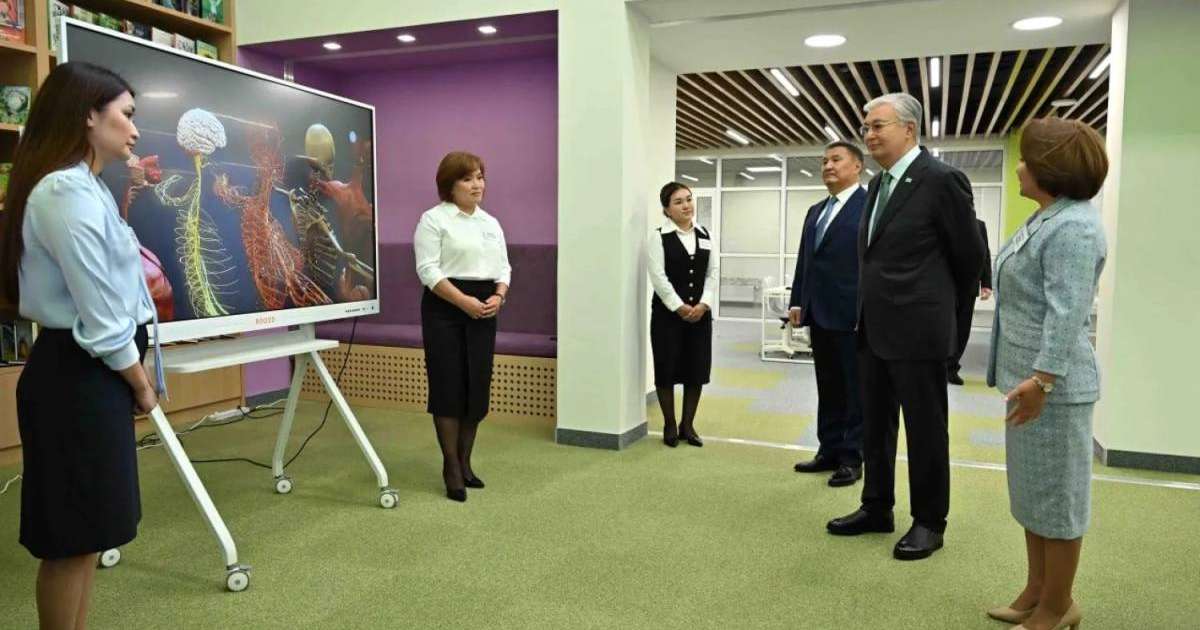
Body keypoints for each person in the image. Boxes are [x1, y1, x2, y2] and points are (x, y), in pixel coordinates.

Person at [0, 62, 162, 630]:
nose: (135, 130)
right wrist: (140, 384)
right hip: (78, 375)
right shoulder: (63, 190)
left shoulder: (84, 185)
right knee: (71, 538)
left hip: (94, 374)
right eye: (127, 115)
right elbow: (99, 311)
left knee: (89, 532)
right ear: (89, 114)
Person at [826, 93, 984, 561]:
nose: (868, 135)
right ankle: (876, 506)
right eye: (866, 127)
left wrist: (951, 335)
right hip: (873, 331)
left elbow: (968, 263)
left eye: (878, 126)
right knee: (875, 427)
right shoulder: (877, 186)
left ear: (910, 129)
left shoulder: (941, 181)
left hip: (920, 334)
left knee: (925, 431)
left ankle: (929, 521)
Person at [984, 117, 1107, 630]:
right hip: (1028, 384)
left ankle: (1060, 605)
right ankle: (1037, 591)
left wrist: (1043, 380)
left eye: (1027, 158)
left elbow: (1067, 311)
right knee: (1034, 495)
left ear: (1048, 169)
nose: (1019, 166)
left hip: (1050, 388)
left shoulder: (1075, 226)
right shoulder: (1047, 217)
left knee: (1059, 499)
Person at [414, 151, 511, 502]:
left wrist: (499, 295)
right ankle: (450, 466)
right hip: (446, 308)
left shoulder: (491, 223)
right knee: (448, 386)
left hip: (485, 309)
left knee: (476, 387)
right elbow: (428, 270)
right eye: (468, 178)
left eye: (480, 176)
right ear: (450, 185)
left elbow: (504, 268)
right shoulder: (433, 220)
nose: (477, 184)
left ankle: (466, 462)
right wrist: (463, 302)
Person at [789, 142, 867, 486]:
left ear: (857, 167)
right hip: (819, 313)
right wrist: (797, 300)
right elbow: (806, 259)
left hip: (853, 314)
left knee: (855, 389)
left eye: (836, 160)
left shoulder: (869, 207)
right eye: (824, 161)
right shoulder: (816, 210)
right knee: (828, 386)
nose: (828, 166)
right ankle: (828, 450)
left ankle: (852, 457)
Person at [647, 182, 718, 447]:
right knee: (666, 368)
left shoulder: (705, 234)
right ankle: (669, 424)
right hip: (667, 317)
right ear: (667, 209)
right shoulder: (658, 236)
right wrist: (678, 306)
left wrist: (704, 304)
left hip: (700, 315)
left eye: (688, 199)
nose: (686, 205)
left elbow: (713, 273)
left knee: (695, 369)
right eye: (678, 202)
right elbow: (658, 276)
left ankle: (688, 425)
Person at [948, 219, 993, 385]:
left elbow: (985, 254)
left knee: (962, 330)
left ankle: (951, 368)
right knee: (943, 328)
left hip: (969, 287)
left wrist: (986, 283)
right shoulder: (943, 221)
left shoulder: (979, 225)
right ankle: (938, 366)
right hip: (944, 286)